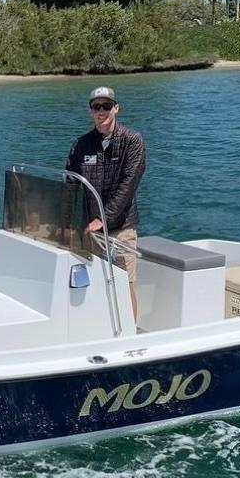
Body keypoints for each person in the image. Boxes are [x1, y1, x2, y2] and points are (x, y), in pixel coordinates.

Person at [65, 86, 146, 315]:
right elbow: (71, 184)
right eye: (96, 106)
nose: (101, 111)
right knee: (92, 283)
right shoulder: (80, 145)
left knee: (125, 284)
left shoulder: (132, 141)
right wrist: (66, 219)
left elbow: (129, 184)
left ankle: (129, 338)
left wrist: (102, 218)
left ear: (116, 108)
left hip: (121, 229)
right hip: (89, 229)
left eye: (106, 106)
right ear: (91, 111)